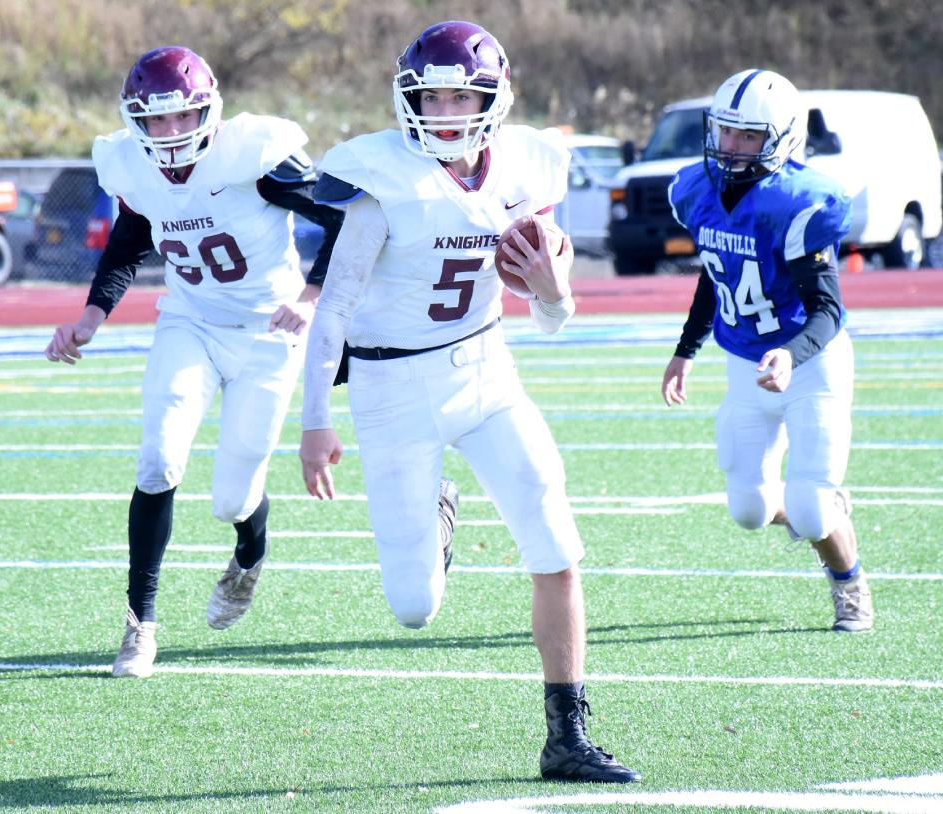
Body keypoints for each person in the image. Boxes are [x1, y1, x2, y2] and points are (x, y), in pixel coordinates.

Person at [298, 21, 642, 784]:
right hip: (391, 390)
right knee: (413, 605)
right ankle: (440, 514)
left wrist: (555, 294)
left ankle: (567, 734)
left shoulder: (526, 167)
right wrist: (315, 421)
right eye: (432, 96)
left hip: (486, 369)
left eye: (461, 95)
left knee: (555, 538)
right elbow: (333, 309)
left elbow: (553, 318)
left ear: (493, 97)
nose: (446, 111)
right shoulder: (381, 179)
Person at [44, 45, 346, 678]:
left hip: (269, 331)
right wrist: (91, 318)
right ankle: (139, 624)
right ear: (136, 121)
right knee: (158, 460)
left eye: (184, 117)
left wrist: (311, 296)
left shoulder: (252, 157)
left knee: (233, 497)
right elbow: (129, 240)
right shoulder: (132, 167)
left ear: (209, 111)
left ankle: (249, 554)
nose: (171, 131)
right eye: (156, 119)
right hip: (190, 322)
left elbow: (344, 219)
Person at [662, 68, 873, 633]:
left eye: (747, 136)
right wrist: (687, 349)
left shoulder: (798, 203)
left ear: (780, 137)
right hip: (744, 367)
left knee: (807, 508)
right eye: (726, 132)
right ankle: (823, 509)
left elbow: (829, 312)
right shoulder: (700, 191)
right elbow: (716, 273)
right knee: (750, 510)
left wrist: (789, 355)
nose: (731, 146)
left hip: (811, 365)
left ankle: (848, 583)